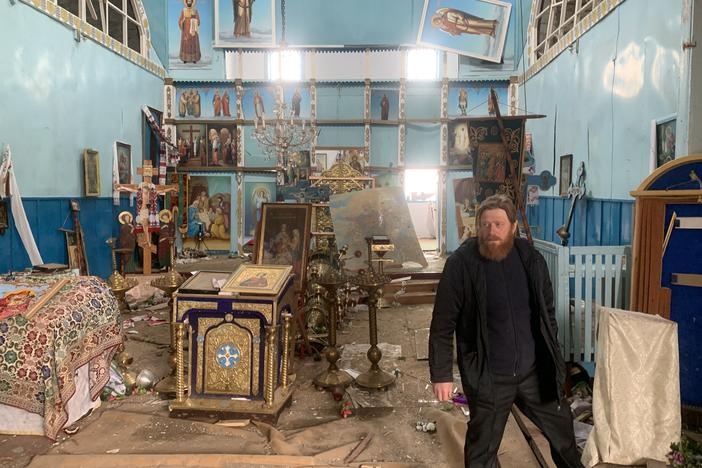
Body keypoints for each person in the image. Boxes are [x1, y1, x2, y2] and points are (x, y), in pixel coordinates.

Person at [429, 194, 583, 468]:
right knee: (481, 452)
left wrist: (554, 359)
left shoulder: (531, 260)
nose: (492, 231)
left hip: (534, 373)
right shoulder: (462, 264)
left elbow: (547, 315)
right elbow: (442, 324)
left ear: (513, 227)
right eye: (486, 224)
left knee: (563, 435)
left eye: (499, 224)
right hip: (489, 377)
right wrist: (441, 375)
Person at [431, 7, 498, 38]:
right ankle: (490, 32)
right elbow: (450, 31)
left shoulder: (447, 14)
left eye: (437, 20)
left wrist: (461, 18)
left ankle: (492, 23)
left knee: (477, 23)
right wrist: (453, 33)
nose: (438, 22)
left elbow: (456, 14)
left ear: (438, 18)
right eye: (437, 23)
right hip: (462, 28)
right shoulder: (444, 27)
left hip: (463, 21)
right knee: (476, 31)